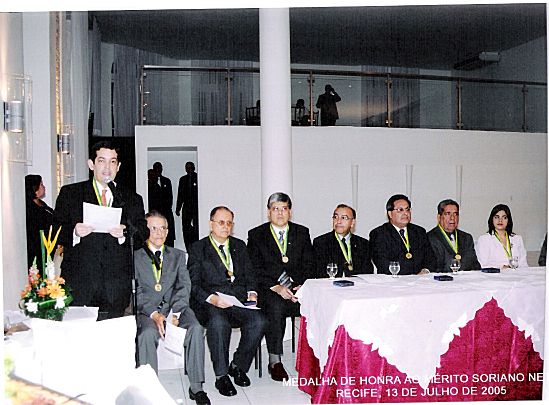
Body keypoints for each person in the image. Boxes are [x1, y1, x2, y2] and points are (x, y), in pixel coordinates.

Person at [54, 140, 148, 320]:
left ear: (118, 166)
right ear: (91, 164)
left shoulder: (131, 198)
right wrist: (74, 231)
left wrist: (125, 233)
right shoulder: (71, 193)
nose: (107, 167)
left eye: (112, 162)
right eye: (101, 161)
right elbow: (55, 230)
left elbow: (143, 233)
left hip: (116, 287)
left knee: (111, 336)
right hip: (80, 283)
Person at [188, 206, 266, 397]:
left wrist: (252, 293)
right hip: (210, 302)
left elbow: (250, 274)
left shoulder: (239, 246)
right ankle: (221, 375)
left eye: (229, 223)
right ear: (211, 224)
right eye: (221, 222)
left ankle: (237, 365)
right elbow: (193, 284)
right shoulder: (198, 248)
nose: (226, 226)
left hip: (237, 301)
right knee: (218, 323)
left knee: (259, 321)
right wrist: (212, 299)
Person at [136, 211, 210, 405]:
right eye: (153, 228)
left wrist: (175, 313)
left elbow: (184, 286)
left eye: (163, 228)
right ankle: (149, 387)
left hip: (176, 308)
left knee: (195, 328)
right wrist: (155, 314)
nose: (159, 233)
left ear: (168, 231)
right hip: (148, 311)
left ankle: (197, 387)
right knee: (146, 334)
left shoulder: (178, 255)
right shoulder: (135, 256)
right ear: (145, 230)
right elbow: (137, 291)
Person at [247, 192, 315, 381]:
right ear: (268, 212)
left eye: (284, 209)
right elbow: (254, 269)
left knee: (319, 302)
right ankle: (275, 361)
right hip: (271, 289)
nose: (279, 213)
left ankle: (316, 357)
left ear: (290, 212)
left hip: (297, 288)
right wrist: (276, 287)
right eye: (275, 209)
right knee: (275, 307)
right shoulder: (256, 235)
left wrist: (302, 286)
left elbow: (310, 264)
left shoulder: (302, 232)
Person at [369, 194, 435, 275]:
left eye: (407, 209)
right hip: (393, 280)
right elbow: (382, 264)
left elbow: (431, 259)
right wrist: (411, 276)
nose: (405, 213)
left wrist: (425, 271)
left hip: (421, 279)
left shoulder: (419, 232)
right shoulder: (379, 234)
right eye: (400, 210)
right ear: (390, 214)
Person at [313, 204, 374, 277]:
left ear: (352, 223)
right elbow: (319, 273)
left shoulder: (363, 244)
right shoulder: (321, 243)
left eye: (343, 218)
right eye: (335, 217)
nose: (338, 221)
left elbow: (368, 273)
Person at [427, 199, 481, 272]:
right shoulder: (429, 238)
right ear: (439, 217)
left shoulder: (466, 238)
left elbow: (474, 265)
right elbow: (434, 267)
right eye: (448, 214)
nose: (452, 218)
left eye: (455, 214)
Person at [477, 204, 528, 269]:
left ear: (508, 220)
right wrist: (501, 267)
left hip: (517, 274)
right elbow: (483, 264)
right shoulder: (484, 239)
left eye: (504, 217)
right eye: (496, 217)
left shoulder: (517, 239)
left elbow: (524, 264)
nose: (500, 220)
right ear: (492, 219)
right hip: (495, 274)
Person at [25, 174, 56, 271]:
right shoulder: (30, 208)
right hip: (38, 249)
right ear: (35, 188)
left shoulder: (41, 204)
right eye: (41, 184)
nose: (44, 187)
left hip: (48, 246)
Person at [176, 161, 199, 251]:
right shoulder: (183, 179)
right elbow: (180, 194)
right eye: (187, 167)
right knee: (186, 228)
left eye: (190, 167)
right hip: (186, 207)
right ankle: (188, 248)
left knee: (196, 228)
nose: (188, 169)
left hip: (196, 207)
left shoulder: (198, 177)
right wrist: (178, 208)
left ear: (194, 168)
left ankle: (196, 248)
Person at [152, 162, 176, 247]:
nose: (158, 170)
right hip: (156, 213)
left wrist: (168, 207)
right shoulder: (150, 182)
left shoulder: (166, 181)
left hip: (166, 212)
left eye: (160, 168)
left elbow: (170, 196)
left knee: (169, 234)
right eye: (156, 168)